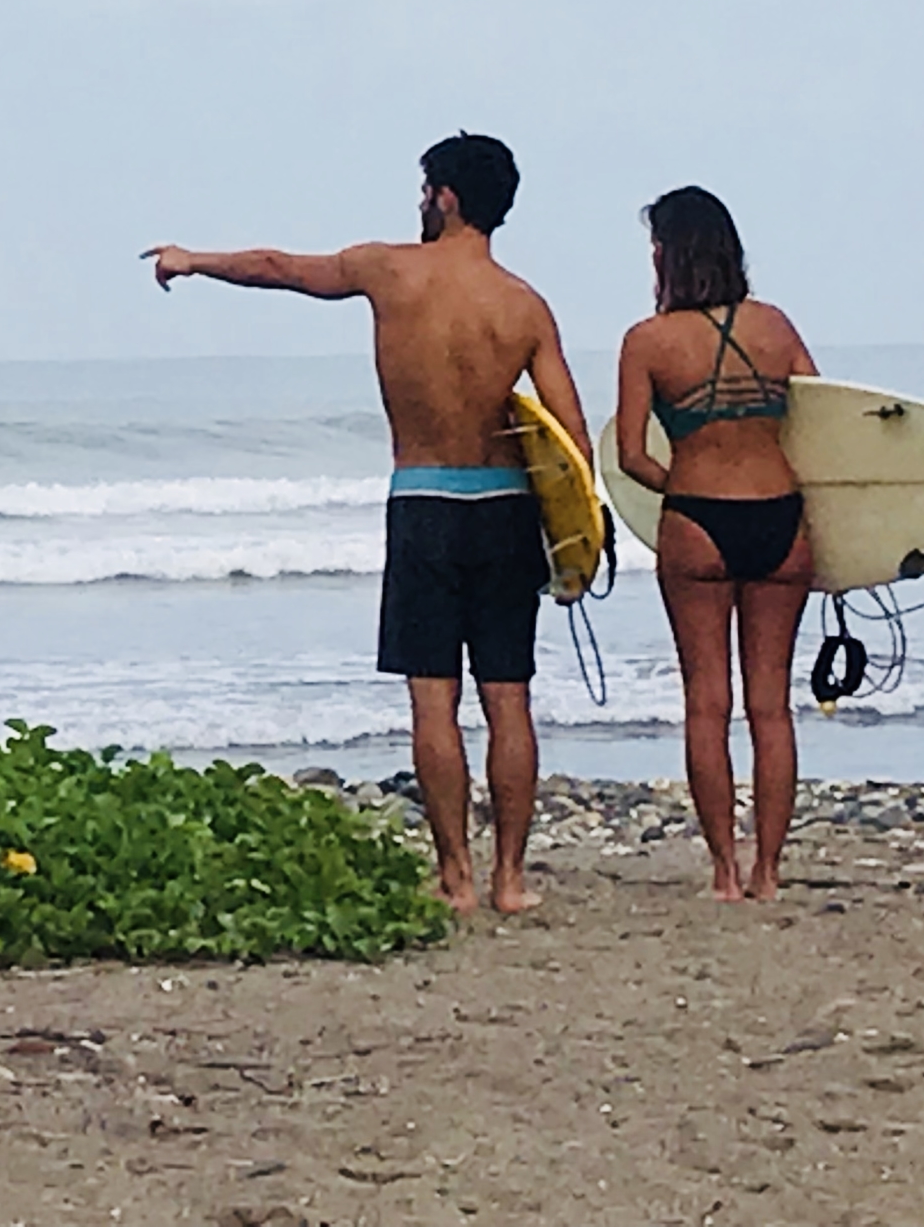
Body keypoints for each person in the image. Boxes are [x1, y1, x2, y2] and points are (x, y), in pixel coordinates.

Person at [143, 133, 589, 915]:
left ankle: (456, 877)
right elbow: (571, 443)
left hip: (423, 505)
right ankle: (512, 880)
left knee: (433, 698)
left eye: (425, 189)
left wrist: (193, 258)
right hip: (506, 513)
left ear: (445, 197)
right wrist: (574, 543)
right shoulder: (525, 306)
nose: (420, 202)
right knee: (508, 696)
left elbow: (283, 270)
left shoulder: (389, 270)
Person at [611, 186, 816, 903]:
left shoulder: (648, 341)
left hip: (697, 520)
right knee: (772, 706)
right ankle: (769, 871)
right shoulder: (775, 326)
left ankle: (724, 873)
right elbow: (827, 422)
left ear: (667, 253)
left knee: (707, 702)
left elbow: (632, 456)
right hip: (782, 517)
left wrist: (687, 481)